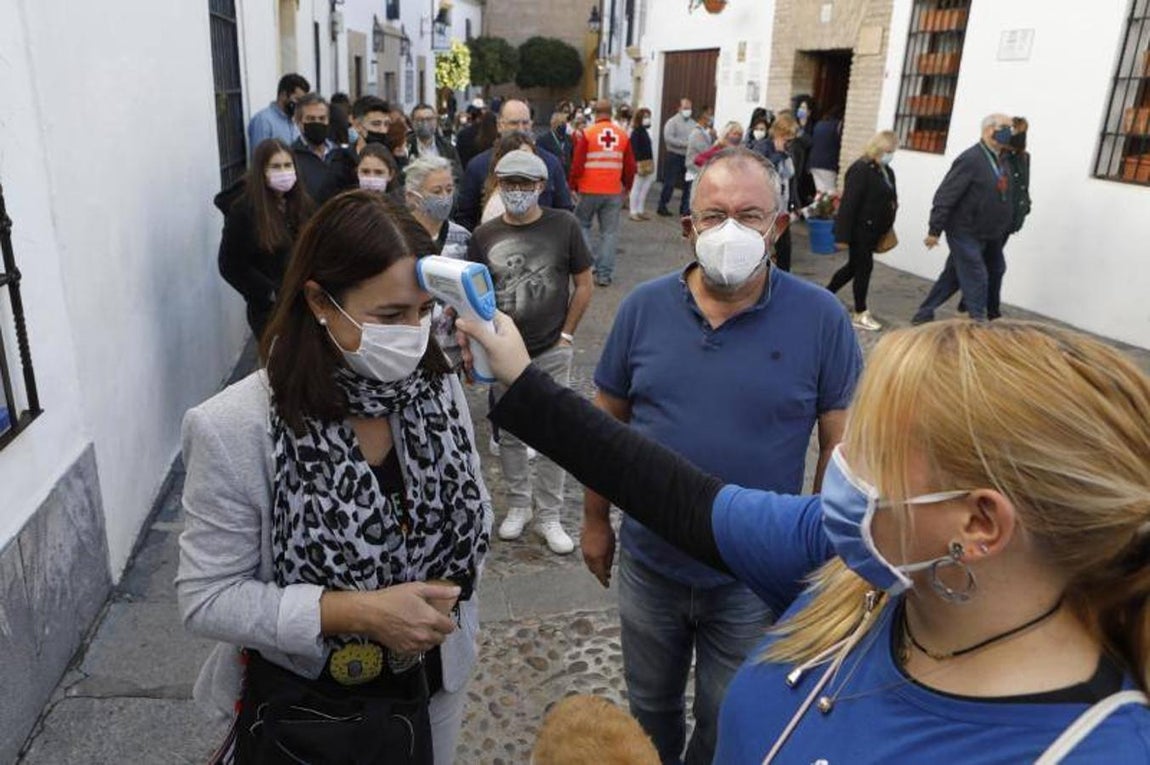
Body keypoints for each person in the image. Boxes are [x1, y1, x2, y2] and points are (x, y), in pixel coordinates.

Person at [459, 313, 1150, 764]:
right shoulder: (859, 569)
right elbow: (684, 499)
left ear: (979, 523)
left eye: (876, 447)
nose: (844, 459)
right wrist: (522, 380)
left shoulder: (1094, 749)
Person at [181, 192, 493, 765]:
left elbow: (472, 515)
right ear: (321, 302)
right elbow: (206, 597)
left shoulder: (436, 388)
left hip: (432, 685)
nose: (414, 333)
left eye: (424, 313)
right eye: (390, 316)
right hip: (309, 708)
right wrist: (355, 611)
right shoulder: (234, 427)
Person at [582, 148, 862, 765]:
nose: (730, 230)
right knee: (650, 708)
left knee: (726, 715)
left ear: (778, 226)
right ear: (689, 227)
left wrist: (820, 547)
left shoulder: (820, 318)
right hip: (651, 563)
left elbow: (837, 443)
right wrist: (596, 521)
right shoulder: (642, 309)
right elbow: (606, 427)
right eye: (713, 215)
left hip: (751, 575)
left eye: (749, 214)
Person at [466, 150, 593, 554]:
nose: (516, 191)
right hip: (502, 349)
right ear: (498, 185)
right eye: (509, 183)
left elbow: (584, 284)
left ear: (541, 186)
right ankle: (519, 505)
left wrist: (567, 335)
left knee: (554, 434)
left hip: (551, 348)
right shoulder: (484, 236)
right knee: (513, 432)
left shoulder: (565, 226)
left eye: (525, 184)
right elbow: (472, 294)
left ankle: (549, 515)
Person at [912, 114, 1015, 325]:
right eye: (1005, 127)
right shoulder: (971, 159)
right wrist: (934, 230)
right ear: (989, 130)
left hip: (989, 232)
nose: (1009, 132)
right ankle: (979, 320)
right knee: (977, 275)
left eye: (1011, 128)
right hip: (965, 230)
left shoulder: (1001, 159)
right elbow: (946, 194)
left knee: (959, 274)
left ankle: (924, 313)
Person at [217, 138, 315, 340]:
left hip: (305, 306)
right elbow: (230, 264)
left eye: (288, 165)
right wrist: (270, 294)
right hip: (270, 313)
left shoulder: (302, 205)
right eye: (276, 166)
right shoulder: (244, 211)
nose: (283, 172)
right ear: (261, 171)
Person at [455, 100, 573, 231]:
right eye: (514, 123)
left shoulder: (550, 163)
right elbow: (466, 217)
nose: (521, 129)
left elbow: (564, 210)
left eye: (525, 123)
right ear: (500, 126)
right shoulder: (478, 166)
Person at [827, 130, 899, 331]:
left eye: (892, 151)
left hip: (876, 230)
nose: (890, 154)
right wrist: (842, 236)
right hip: (860, 230)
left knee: (853, 268)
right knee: (864, 269)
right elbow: (849, 204)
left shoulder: (885, 171)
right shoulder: (861, 169)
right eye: (888, 150)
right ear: (878, 148)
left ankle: (825, 294)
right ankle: (860, 311)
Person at [570, 99, 637, 287]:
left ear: (595, 113)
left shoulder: (588, 133)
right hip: (613, 190)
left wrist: (572, 185)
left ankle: (589, 262)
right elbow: (630, 166)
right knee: (609, 233)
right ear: (611, 113)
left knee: (582, 224)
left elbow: (577, 163)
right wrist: (627, 187)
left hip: (588, 189)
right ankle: (604, 275)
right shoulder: (622, 135)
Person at [291, 93, 352, 205]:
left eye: (322, 118)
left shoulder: (341, 155)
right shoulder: (291, 157)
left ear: (328, 121)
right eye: (311, 118)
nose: (317, 123)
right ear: (298, 122)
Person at [758, 115, 799, 272]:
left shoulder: (788, 150)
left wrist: (795, 203)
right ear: (778, 132)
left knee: (785, 249)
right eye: (787, 135)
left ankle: (784, 280)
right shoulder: (763, 146)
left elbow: (791, 178)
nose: (789, 141)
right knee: (762, 247)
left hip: (782, 207)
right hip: (764, 207)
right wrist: (779, 153)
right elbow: (762, 170)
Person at [247, 73, 309, 156]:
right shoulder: (263, 121)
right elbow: (259, 158)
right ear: (283, 95)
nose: (300, 104)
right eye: (297, 99)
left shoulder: (293, 121)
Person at [656, 98, 698, 217]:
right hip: (674, 156)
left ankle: (685, 209)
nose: (687, 110)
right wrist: (685, 143)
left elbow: (696, 138)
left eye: (689, 108)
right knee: (670, 182)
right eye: (685, 108)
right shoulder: (672, 122)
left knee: (688, 183)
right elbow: (668, 138)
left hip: (688, 157)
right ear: (679, 108)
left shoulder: (694, 124)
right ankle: (662, 206)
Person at [408, 103, 464, 183]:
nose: (425, 123)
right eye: (420, 120)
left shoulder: (447, 147)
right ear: (412, 122)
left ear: (435, 121)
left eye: (429, 119)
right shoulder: (406, 146)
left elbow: (458, 175)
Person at [682, 108, 714, 210]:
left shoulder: (704, 132)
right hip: (695, 168)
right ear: (703, 118)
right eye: (709, 115)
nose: (711, 118)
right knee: (691, 198)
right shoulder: (697, 133)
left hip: (699, 168)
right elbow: (705, 150)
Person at [628, 108, 656, 222]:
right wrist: (637, 163)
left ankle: (640, 210)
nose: (647, 119)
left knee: (645, 188)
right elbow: (634, 149)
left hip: (648, 162)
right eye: (645, 117)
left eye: (648, 117)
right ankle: (633, 211)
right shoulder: (636, 132)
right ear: (640, 118)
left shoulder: (644, 131)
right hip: (640, 163)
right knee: (637, 187)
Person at [809, 106, 844, 193]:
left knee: (820, 192)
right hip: (828, 165)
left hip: (813, 163)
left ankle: (816, 206)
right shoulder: (838, 125)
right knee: (830, 193)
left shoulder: (819, 124)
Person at [537, 111, 574, 180]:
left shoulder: (569, 139)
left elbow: (572, 155)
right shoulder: (543, 140)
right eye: (561, 123)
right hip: (551, 176)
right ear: (554, 124)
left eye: (565, 123)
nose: (564, 126)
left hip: (566, 176)